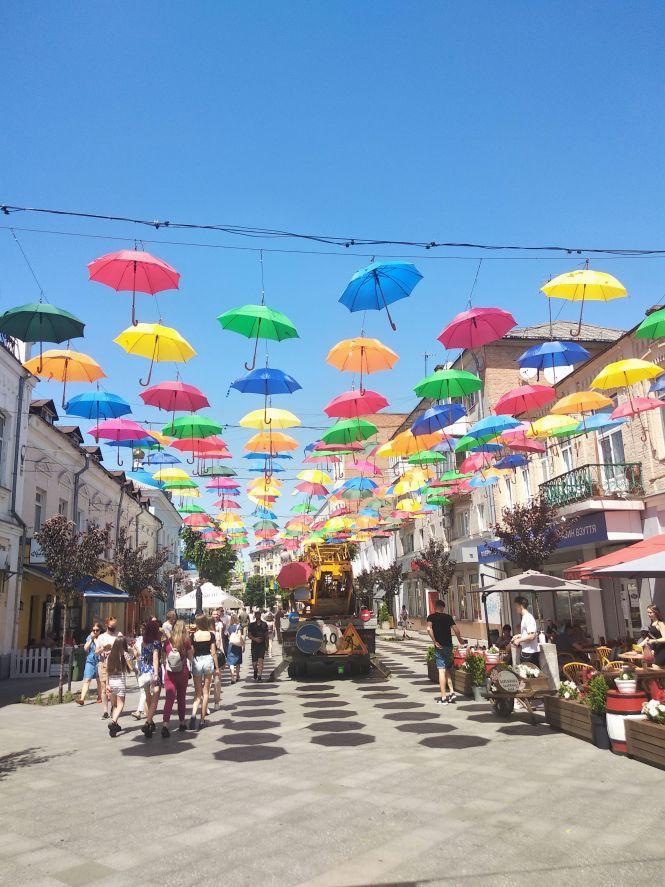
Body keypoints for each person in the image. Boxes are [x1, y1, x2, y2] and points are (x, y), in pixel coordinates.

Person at [426, 599, 463, 705]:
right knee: (447, 668)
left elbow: (428, 628)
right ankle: (451, 691)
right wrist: (460, 639)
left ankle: (443, 697)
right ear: (443, 607)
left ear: (435, 607)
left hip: (439, 646)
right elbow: (456, 630)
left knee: (441, 671)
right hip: (448, 646)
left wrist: (435, 641)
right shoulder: (448, 617)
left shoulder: (431, 617)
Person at [162, 619, 193, 737]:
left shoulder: (167, 642)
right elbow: (190, 657)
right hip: (182, 672)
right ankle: (182, 722)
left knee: (169, 699)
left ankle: (165, 724)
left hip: (170, 673)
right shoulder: (186, 641)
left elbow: (163, 657)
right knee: (181, 698)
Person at [190, 613, 219, 729]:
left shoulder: (193, 636)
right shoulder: (210, 635)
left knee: (197, 693)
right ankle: (202, 720)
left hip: (197, 661)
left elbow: (192, 652)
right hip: (208, 660)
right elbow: (213, 652)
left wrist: (191, 662)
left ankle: (193, 714)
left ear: (197, 623)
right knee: (206, 692)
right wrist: (217, 668)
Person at [137, 618, 162, 738]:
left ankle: (150, 721)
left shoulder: (143, 642)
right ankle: (147, 722)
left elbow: (142, 657)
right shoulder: (156, 643)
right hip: (152, 671)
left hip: (144, 671)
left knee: (147, 697)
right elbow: (155, 658)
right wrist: (156, 674)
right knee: (155, 698)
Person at [105, 636, 134, 737]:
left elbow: (107, 671)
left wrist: (107, 684)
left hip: (112, 683)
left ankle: (114, 727)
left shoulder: (110, 655)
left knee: (114, 705)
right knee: (121, 704)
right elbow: (131, 667)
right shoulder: (124, 654)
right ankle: (113, 722)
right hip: (120, 682)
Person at [95, 616, 121, 720]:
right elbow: (96, 652)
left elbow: (123, 647)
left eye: (115, 625)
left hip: (115, 663)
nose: (113, 627)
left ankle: (113, 707)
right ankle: (105, 710)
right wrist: (103, 648)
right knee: (104, 687)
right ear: (107, 625)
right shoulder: (101, 637)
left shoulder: (119, 635)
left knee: (113, 687)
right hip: (103, 663)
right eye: (111, 626)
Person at [76, 623, 102, 705]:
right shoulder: (89, 637)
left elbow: (99, 648)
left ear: (100, 630)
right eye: (93, 630)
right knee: (87, 680)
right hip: (90, 661)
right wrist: (91, 639)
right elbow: (85, 648)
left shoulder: (102, 638)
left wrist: (96, 641)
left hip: (99, 661)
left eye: (97, 630)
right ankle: (82, 699)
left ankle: (100, 696)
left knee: (99, 680)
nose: (95, 632)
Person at [511, 596, 540, 665]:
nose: (515, 608)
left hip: (530, 653)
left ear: (521, 606)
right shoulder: (525, 617)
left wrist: (519, 640)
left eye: (516, 606)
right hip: (527, 651)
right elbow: (529, 633)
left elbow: (532, 636)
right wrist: (519, 635)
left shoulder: (528, 617)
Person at [248, 608, 269, 681]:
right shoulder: (251, 625)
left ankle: (259, 676)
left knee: (261, 661)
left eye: (258, 615)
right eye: (256, 615)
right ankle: (255, 670)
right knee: (254, 663)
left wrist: (267, 646)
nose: (257, 616)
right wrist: (255, 639)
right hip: (254, 645)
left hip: (262, 645)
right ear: (255, 616)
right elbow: (249, 635)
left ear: (260, 615)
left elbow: (266, 635)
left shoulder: (264, 624)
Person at [211, 610, 226, 710]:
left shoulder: (221, 625)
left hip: (211, 656)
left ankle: (215, 702)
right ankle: (216, 703)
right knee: (216, 680)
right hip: (213, 656)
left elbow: (221, 644)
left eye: (217, 614)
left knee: (213, 681)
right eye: (214, 614)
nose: (216, 615)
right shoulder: (213, 633)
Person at [226, 614, 244, 683]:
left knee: (231, 662)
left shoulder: (229, 627)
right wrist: (243, 644)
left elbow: (228, 636)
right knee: (238, 661)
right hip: (237, 645)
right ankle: (237, 676)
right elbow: (239, 636)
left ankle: (232, 677)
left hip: (231, 645)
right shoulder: (238, 626)